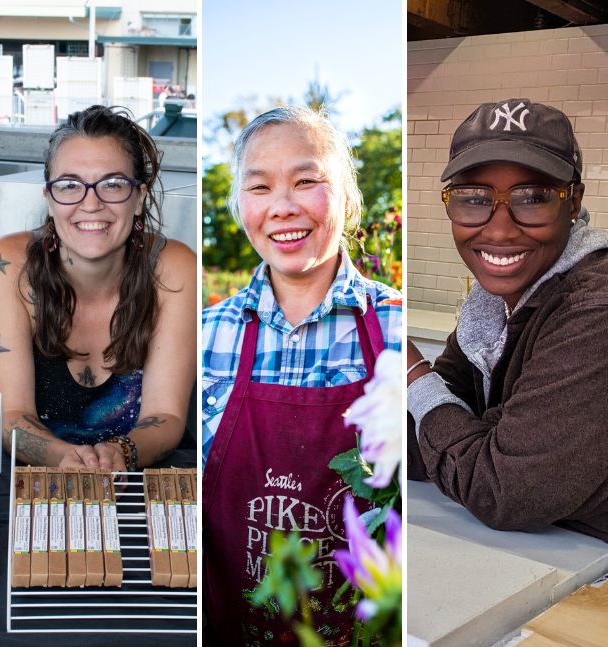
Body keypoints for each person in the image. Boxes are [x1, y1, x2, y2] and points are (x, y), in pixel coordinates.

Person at [201, 106, 402, 645]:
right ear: (240, 203)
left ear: (347, 196)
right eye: (260, 187)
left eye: (307, 181)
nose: (282, 207)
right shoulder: (203, 337)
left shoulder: (396, 331)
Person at [407, 98, 608, 541]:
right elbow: (431, 433)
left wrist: (411, 374)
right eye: (474, 198)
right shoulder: (491, 304)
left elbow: (504, 491)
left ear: (573, 201)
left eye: (533, 198)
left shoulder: (594, 310)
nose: (498, 231)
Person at [0, 105, 196, 471]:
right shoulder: (10, 264)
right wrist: (65, 458)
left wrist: (120, 453)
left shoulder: (174, 267)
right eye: (70, 185)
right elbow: (11, 415)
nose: (91, 203)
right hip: (37, 489)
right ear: (49, 198)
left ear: (138, 198)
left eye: (113, 184)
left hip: (138, 484)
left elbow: (165, 414)